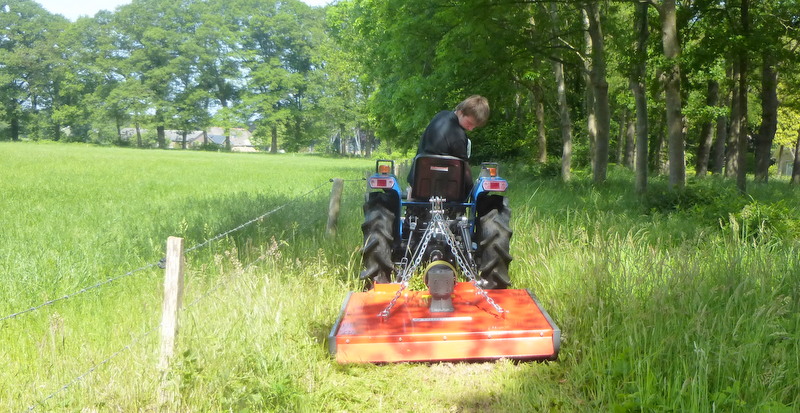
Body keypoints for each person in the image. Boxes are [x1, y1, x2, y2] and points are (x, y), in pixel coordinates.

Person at [407, 95, 490, 197]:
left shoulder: (439, 116)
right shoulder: (458, 136)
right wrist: (471, 190)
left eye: (474, 126)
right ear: (461, 112)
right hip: (447, 192)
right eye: (469, 123)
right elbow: (463, 169)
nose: (471, 129)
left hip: (418, 184)